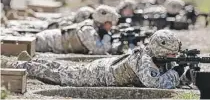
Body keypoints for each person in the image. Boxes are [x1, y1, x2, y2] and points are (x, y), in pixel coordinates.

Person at [6, 30, 195, 89]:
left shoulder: (152, 55)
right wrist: (177, 72)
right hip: (97, 75)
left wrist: (185, 74)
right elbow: (154, 84)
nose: (173, 58)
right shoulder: (144, 59)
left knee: (62, 68)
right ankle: (16, 65)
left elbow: (163, 74)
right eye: (171, 54)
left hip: (103, 68)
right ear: (159, 50)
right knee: (56, 75)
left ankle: (29, 61)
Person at [36, 5, 120, 54]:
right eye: (110, 23)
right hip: (45, 41)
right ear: (103, 22)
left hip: (48, 42)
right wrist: (108, 38)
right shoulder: (88, 29)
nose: (111, 26)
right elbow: (98, 50)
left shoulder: (94, 28)